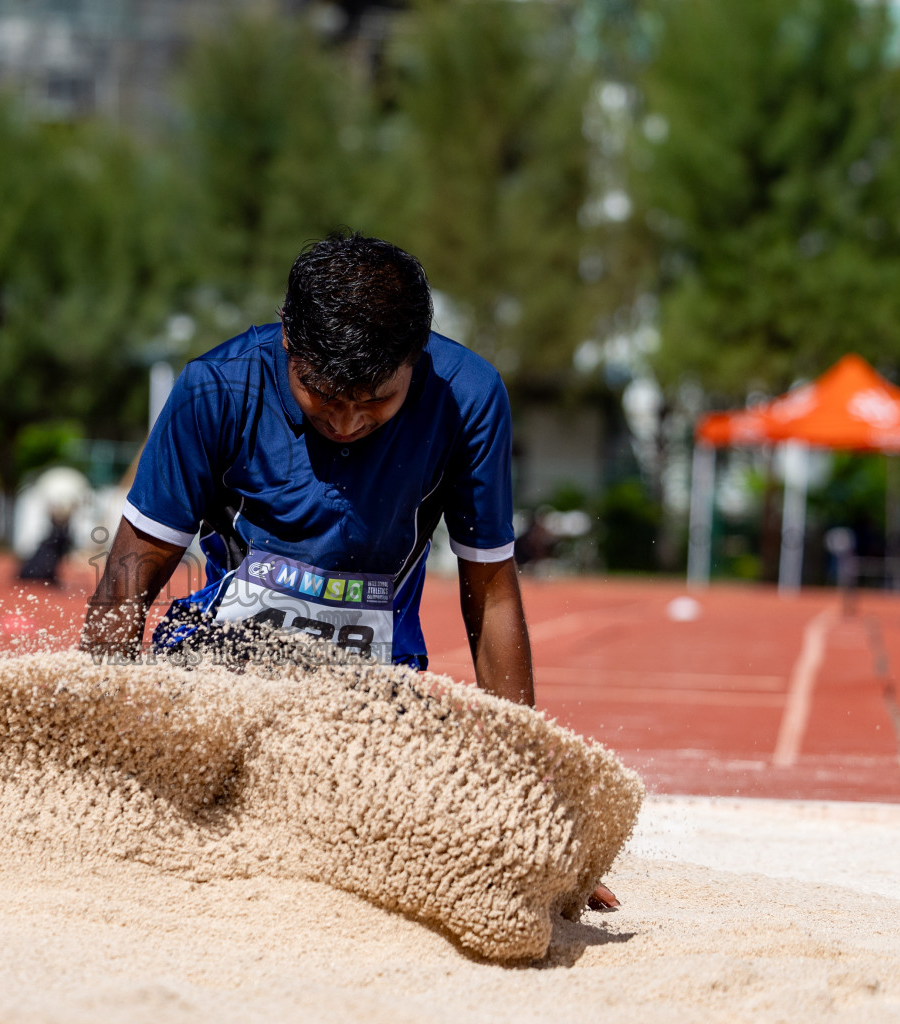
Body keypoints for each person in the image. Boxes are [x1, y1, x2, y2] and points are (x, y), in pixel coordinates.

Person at [80, 233, 616, 906]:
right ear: (287, 344)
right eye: (324, 395)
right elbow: (129, 575)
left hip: (373, 700)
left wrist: (530, 808)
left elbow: (493, 598)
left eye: (377, 402)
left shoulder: (469, 398)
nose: (348, 420)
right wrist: (95, 756)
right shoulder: (212, 391)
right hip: (219, 681)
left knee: (434, 844)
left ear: (415, 361)